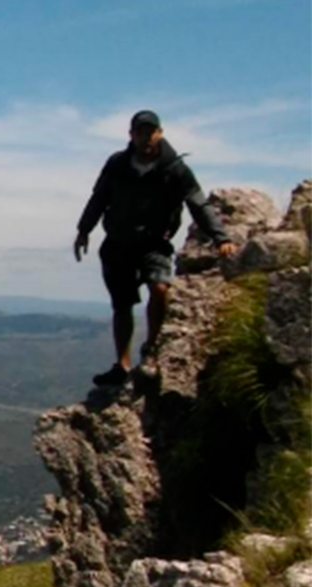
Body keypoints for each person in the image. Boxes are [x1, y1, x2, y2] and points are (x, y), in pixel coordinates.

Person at [74, 110, 236, 386]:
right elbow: (99, 198)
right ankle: (122, 366)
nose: (145, 137)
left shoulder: (174, 169)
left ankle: (150, 350)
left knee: (160, 288)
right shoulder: (117, 165)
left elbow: (198, 203)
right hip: (118, 243)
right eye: (140, 132)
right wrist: (84, 230)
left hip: (154, 243)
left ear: (160, 133)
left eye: (150, 132)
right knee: (122, 304)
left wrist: (220, 237)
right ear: (131, 135)